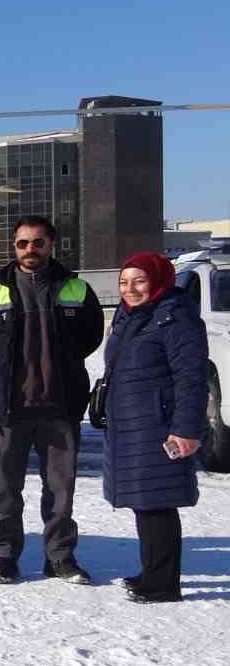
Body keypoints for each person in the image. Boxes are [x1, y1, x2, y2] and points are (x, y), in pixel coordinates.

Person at [0, 215, 104, 585]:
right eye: (23, 243)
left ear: (51, 246)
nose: (30, 250)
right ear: (14, 247)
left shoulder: (76, 288)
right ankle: (5, 558)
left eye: (38, 243)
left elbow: (91, 336)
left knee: (60, 491)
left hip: (60, 408)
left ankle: (60, 557)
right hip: (9, 410)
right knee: (6, 490)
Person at [101, 253, 207, 603]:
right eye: (124, 282)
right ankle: (152, 572)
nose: (130, 289)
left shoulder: (175, 317)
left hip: (159, 426)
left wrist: (186, 429)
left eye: (139, 281)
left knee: (158, 503)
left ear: (158, 280)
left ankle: (163, 584)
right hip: (133, 425)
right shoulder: (133, 316)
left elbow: (191, 378)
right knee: (144, 502)